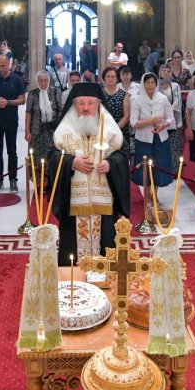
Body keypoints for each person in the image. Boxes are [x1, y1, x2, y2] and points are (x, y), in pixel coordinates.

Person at [49, 83, 130, 266]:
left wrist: (111, 164)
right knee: (72, 253)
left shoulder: (110, 128)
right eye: (81, 103)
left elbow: (123, 155)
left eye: (90, 103)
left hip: (104, 201)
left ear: (98, 104)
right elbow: (51, 156)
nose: (85, 108)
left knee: (106, 247)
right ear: (74, 104)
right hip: (73, 202)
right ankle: (72, 282)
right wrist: (71, 162)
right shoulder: (64, 128)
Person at [0, 54, 26, 192]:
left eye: (3, 65)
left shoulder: (17, 79)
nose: (1, 69)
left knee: (12, 151)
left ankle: (13, 179)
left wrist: (8, 102)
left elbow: (22, 99)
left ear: (9, 64)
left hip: (11, 120)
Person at [130, 73, 175, 196]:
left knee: (159, 168)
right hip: (143, 140)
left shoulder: (162, 98)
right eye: (147, 82)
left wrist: (163, 125)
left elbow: (170, 118)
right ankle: (148, 197)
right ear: (143, 84)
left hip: (160, 139)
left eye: (153, 82)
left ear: (156, 84)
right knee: (145, 170)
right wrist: (150, 121)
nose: (150, 85)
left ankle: (154, 196)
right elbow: (133, 122)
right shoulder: (137, 100)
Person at [25, 70, 63, 165]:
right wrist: (27, 132)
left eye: (45, 80)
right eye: (41, 80)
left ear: (49, 80)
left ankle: (50, 179)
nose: (43, 83)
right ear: (37, 81)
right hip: (36, 131)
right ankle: (37, 179)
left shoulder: (56, 92)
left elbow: (60, 111)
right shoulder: (32, 94)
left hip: (52, 131)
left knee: (52, 158)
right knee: (36, 158)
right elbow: (28, 113)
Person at [99, 66, 131, 157]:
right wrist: (106, 131)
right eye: (107, 76)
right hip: (103, 132)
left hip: (120, 131)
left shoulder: (124, 94)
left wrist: (114, 130)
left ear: (117, 78)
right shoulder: (99, 94)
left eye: (113, 76)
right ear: (104, 78)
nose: (110, 79)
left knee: (119, 161)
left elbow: (127, 116)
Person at [158, 64, 184, 165]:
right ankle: (163, 170)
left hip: (174, 121)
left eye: (168, 71)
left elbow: (177, 102)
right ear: (160, 73)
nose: (166, 72)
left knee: (175, 148)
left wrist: (169, 116)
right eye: (163, 70)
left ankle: (175, 170)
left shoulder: (175, 86)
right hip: (160, 122)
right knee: (162, 147)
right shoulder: (156, 85)